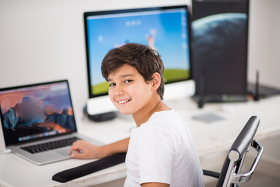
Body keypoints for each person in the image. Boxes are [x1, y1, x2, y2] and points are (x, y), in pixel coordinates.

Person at [69, 43, 204, 187]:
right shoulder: (166, 117)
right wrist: (100, 150)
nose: (117, 91)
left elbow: (150, 139)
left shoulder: (152, 133)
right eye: (112, 84)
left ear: (154, 82)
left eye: (127, 81)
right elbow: (140, 140)